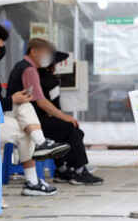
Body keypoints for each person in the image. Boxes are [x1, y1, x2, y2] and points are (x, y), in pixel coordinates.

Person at [6, 38, 102, 186]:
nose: (48, 57)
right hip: (30, 121)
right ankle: (78, 171)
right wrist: (65, 117)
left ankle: (64, 169)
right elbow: (41, 101)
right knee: (72, 129)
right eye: (45, 52)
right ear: (34, 51)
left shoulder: (21, 67)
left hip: (24, 119)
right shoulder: (30, 70)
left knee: (67, 129)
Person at [0, 24, 68, 198]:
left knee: (25, 106)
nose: (2, 47)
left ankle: (40, 145)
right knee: (27, 131)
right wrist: (12, 100)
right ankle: (33, 176)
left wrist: (14, 100)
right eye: (1, 43)